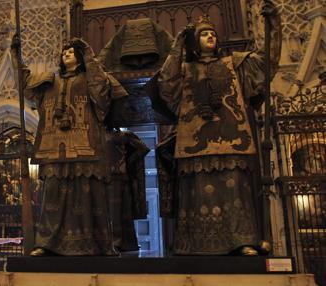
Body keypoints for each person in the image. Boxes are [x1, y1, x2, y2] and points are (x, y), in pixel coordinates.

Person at [146, 3, 281, 255]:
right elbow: (166, 83)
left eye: (213, 34)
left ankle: (241, 240)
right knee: (197, 194)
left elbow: (267, 61)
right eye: (204, 35)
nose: (210, 37)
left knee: (235, 191)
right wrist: (178, 44)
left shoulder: (236, 64)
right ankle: (195, 243)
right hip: (194, 142)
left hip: (231, 141)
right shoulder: (184, 69)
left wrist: (273, 24)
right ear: (195, 43)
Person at [19, 38, 127, 256]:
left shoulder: (90, 77)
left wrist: (89, 53)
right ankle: (46, 243)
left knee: (89, 192)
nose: (67, 53)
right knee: (53, 194)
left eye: (72, 51)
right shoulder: (50, 79)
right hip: (54, 142)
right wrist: (16, 56)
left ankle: (97, 242)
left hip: (85, 140)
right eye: (64, 51)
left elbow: (102, 93)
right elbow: (27, 87)